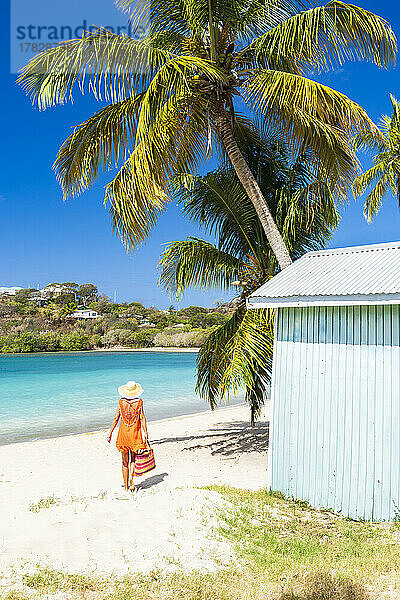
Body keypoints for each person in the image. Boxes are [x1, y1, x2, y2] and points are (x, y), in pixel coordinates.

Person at [107, 381, 148, 491]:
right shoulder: (139, 402)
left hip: (123, 434)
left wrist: (110, 432)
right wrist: (145, 432)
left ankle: (126, 487)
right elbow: (142, 418)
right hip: (135, 433)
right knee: (133, 459)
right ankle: (131, 479)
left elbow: (116, 418)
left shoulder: (121, 402)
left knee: (124, 462)